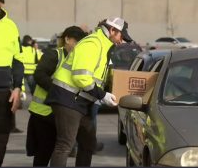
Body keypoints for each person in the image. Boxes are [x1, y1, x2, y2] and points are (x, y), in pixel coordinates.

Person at [45, 17, 133, 167]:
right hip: (68, 99)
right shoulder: (93, 43)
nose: (122, 41)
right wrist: (102, 95)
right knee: (65, 145)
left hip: (81, 100)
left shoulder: (104, 45)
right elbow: (81, 77)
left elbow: (97, 76)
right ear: (112, 30)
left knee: (88, 143)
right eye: (121, 36)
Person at [26, 26, 87, 166]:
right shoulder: (54, 55)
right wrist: (58, 92)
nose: (79, 46)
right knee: (44, 152)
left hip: (61, 113)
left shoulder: (77, 59)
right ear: (67, 39)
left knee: (58, 149)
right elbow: (39, 75)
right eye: (76, 42)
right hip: (43, 113)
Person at [0, 0, 24, 166]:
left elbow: (18, 60)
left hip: (3, 90)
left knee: (1, 132)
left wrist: (18, 87)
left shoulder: (11, 26)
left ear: (1, 3)